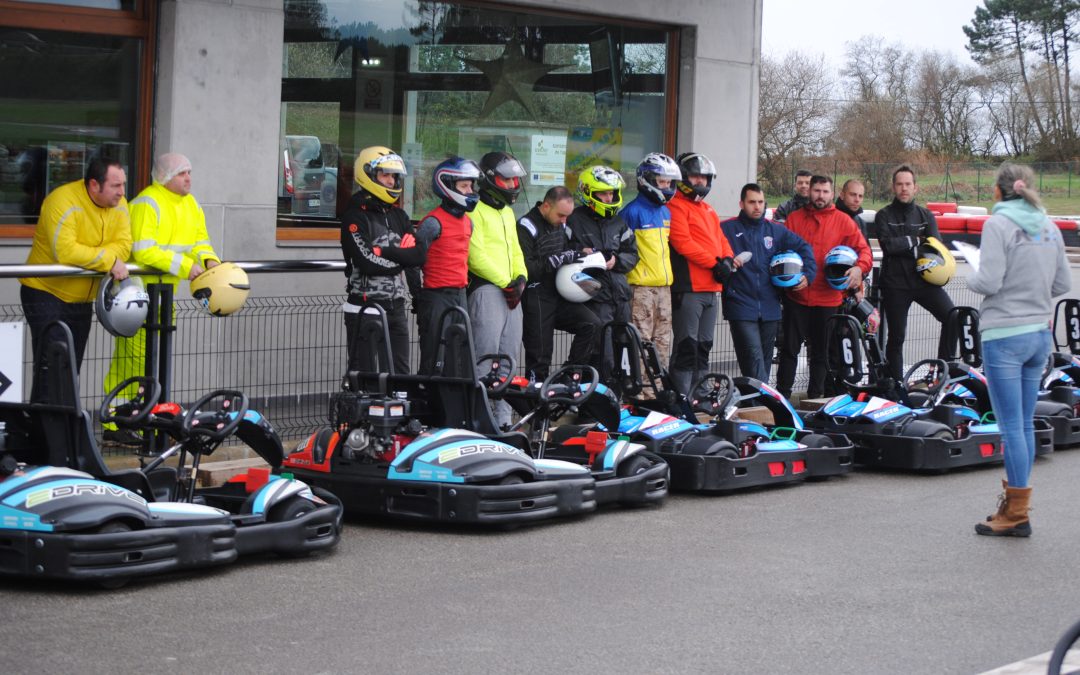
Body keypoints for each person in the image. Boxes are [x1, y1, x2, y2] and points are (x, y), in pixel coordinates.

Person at [969, 163, 1070, 538]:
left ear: (998, 191)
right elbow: (1062, 281)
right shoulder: (1048, 225)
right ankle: (1017, 508)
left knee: (1010, 427)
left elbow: (989, 280)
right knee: (1023, 424)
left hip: (1005, 335)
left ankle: (1016, 513)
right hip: (1039, 335)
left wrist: (970, 271)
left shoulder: (997, 224)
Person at [101, 153, 219, 445]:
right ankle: (120, 424)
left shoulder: (190, 204)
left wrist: (209, 260)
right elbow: (143, 251)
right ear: (165, 177)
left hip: (165, 295)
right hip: (138, 295)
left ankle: (146, 418)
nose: (188, 178)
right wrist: (184, 266)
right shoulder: (147, 202)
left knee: (154, 359)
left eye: (189, 171)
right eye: (182, 173)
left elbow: (200, 240)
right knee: (134, 361)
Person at [20, 156, 131, 402]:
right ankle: (50, 434)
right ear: (94, 185)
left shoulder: (120, 205)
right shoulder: (62, 200)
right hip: (44, 291)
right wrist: (109, 261)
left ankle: (46, 430)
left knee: (69, 366)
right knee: (55, 362)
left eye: (123, 184)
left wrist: (99, 256)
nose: (122, 192)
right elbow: (66, 251)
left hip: (81, 298)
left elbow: (125, 246)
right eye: (115, 186)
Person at [775, 175, 872, 400]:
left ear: (832, 194)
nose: (820, 196)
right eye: (817, 191)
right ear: (809, 191)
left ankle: (815, 400)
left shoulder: (844, 221)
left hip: (828, 298)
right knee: (789, 351)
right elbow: (779, 251)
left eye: (825, 191)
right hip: (797, 296)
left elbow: (864, 250)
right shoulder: (795, 218)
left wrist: (859, 268)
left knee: (821, 354)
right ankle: (781, 398)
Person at [339, 146, 423, 376]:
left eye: (394, 176)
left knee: (401, 377)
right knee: (364, 378)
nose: (391, 181)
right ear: (369, 175)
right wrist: (400, 261)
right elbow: (366, 261)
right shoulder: (355, 215)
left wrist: (384, 252)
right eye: (385, 175)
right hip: (365, 307)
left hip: (396, 306)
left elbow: (419, 254)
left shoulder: (399, 215)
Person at [720, 183, 816, 383]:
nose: (757, 207)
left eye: (761, 202)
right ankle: (767, 405)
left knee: (762, 364)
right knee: (753, 360)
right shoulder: (727, 228)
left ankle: (756, 406)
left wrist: (808, 274)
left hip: (770, 307)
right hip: (740, 306)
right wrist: (727, 262)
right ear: (742, 203)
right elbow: (713, 255)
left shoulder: (776, 231)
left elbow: (804, 247)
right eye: (752, 202)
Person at [874, 165, 954, 381]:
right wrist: (916, 240)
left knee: (952, 317)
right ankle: (897, 385)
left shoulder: (926, 215)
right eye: (899, 184)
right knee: (897, 337)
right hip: (895, 285)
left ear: (915, 188)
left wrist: (907, 245)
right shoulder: (883, 215)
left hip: (925, 282)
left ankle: (941, 374)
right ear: (893, 187)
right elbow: (888, 246)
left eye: (908, 184)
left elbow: (934, 248)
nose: (904, 189)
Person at [468, 151, 529, 427]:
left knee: (508, 360)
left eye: (516, 180)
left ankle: (503, 422)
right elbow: (475, 254)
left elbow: (516, 250)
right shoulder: (475, 209)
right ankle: (479, 419)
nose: (513, 185)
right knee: (485, 357)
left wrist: (521, 278)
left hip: (511, 292)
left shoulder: (507, 211)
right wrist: (505, 281)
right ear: (490, 179)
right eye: (507, 180)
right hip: (488, 289)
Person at [517, 186, 601, 381]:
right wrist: (560, 258)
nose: (564, 221)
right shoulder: (525, 226)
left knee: (592, 324)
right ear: (546, 206)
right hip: (535, 295)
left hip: (559, 292)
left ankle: (566, 377)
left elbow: (565, 250)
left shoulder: (561, 223)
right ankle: (535, 407)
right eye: (561, 215)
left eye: (567, 216)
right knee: (540, 357)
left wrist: (582, 252)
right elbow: (527, 269)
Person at [667, 152, 734, 397]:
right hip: (689, 288)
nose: (701, 182)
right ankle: (681, 394)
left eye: (705, 178)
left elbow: (721, 239)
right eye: (696, 177)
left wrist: (726, 259)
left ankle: (702, 393)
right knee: (686, 345)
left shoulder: (707, 209)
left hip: (711, 288)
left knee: (704, 345)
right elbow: (683, 244)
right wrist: (716, 263)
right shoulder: (674, 205)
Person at [567, 165, 638, 374]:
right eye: (603, 193)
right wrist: (583, 254)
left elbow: (633, 254)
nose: (608, 198)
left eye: (611, 193)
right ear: (588, 192)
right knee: (601, 352)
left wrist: (616, 261)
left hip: (621, 298)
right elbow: (562, 252)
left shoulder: (619, 222)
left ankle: (619, 397)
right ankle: (595, 398)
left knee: (624, 349)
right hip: (594, 298)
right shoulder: (573, 220)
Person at [414, 156, 481, 374]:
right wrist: (418, 295)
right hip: (436, 297)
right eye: (464, 186)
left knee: (460, 356)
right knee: (435, 356)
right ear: (447, 186)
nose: (470, 190)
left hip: (460, 295)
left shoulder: (468, 222)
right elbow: (413, 261)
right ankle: (429, 402)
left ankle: (457, 405)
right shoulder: (432, 222)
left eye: (471, 185)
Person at [622, 152, 680, 373]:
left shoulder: (666, 212)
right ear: (646, 180)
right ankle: (641, 396)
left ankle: (658, 391)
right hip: (641, 289)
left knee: (662, 344)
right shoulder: (631, 212)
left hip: (664, 288)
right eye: (661, 182)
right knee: (641, 344)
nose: (666, 186)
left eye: (668, 182)